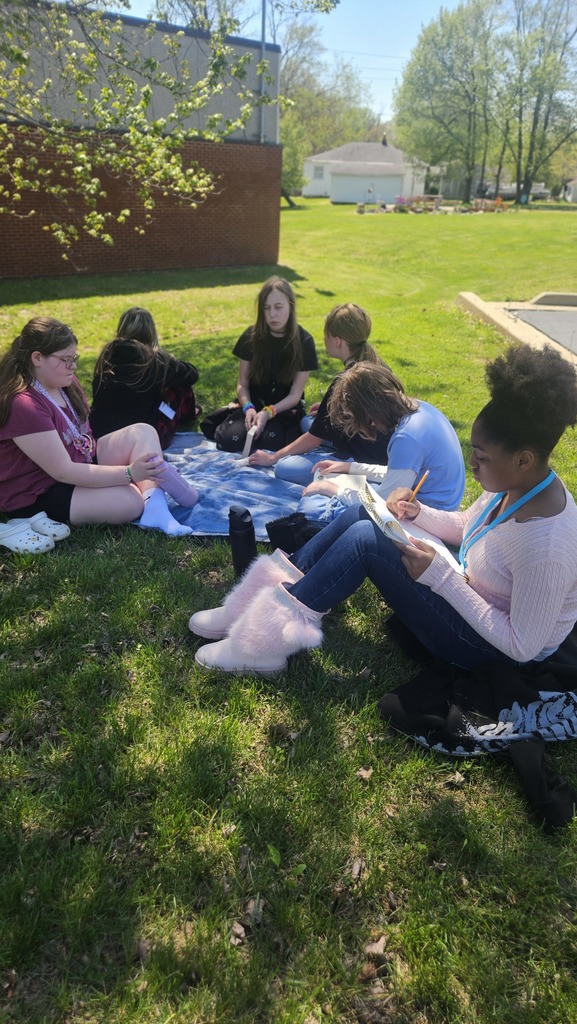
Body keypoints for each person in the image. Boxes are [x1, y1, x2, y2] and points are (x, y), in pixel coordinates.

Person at [189, 342, 577, 680]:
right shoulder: (516, 485)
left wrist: (442, 579)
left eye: (481, 458)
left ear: (524, 459)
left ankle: (264, 644)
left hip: (489, 654)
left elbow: (521, 647)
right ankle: (252, 608)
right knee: (365, 515)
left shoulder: (546, 545)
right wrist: (417, 512)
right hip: (468, 593)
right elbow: (465, 525)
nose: (472, 465)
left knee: (367, 540)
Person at [0, 317, 199, 537]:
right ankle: (149, 503)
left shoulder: (67, 383)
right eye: (65, 359)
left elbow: (81, 442)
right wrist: (129, 473)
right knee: (130, 501)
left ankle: (156, 509)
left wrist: (127, 474)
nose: (73, 366)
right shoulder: (24, 404)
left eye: (74, 358)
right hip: (40, 491)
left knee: (143, 431)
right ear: (37, 358)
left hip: (81, 461)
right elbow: (63, 471)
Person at [287, 360, 466, 524]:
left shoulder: (407, 438)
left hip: (422, 518)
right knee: (346, 485)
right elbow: (398, 473)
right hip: (428, 507)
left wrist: (332, 489)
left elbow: (381, 505)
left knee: (313, 507)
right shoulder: (420, 409)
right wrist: (349, 468)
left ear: (368, 412)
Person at [248, 302, 392, 485]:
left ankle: (345, 471)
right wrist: (328, 409)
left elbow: (314, 438)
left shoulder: (346, 381)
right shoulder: (379, 366)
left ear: (338, 341)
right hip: (381, 446)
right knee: (307, 421)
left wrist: (272, 458)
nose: (324, 340)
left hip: (366, 460)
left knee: (285, 467)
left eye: (326, 335)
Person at [200, 277, 318, 453]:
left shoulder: (304, 341)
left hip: (283, 409)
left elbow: (295, 394)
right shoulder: (250, 336)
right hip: (251, 406)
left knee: (270, 442)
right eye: (266, 308)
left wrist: (268, 412)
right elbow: (242, 384)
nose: (272, 314)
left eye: (278, 307)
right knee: (232, 440)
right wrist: (248, 408)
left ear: (290, 306)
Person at [90, 307, 200, 450]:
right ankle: (189, 415)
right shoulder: (157, 361)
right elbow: (192, 374)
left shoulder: (107, 356)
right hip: (144, 440)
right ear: (151, 331)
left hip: (103, 437)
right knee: (179, 386)